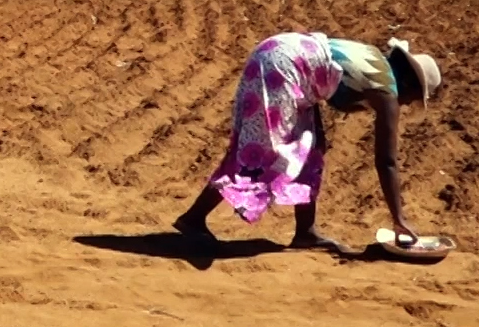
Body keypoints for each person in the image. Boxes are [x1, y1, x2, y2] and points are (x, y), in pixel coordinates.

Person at [174, 32, 441, 252]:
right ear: (409, 84)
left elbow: (315, 74)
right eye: (412, 99)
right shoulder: (387, 91)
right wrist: (398, 219)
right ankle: (194, 219)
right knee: (260, 151)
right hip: (281, 67)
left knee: (311, 148)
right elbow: (387, 161)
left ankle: (306, 232)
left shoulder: (376, 61)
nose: (406, 105)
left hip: (278, 56)